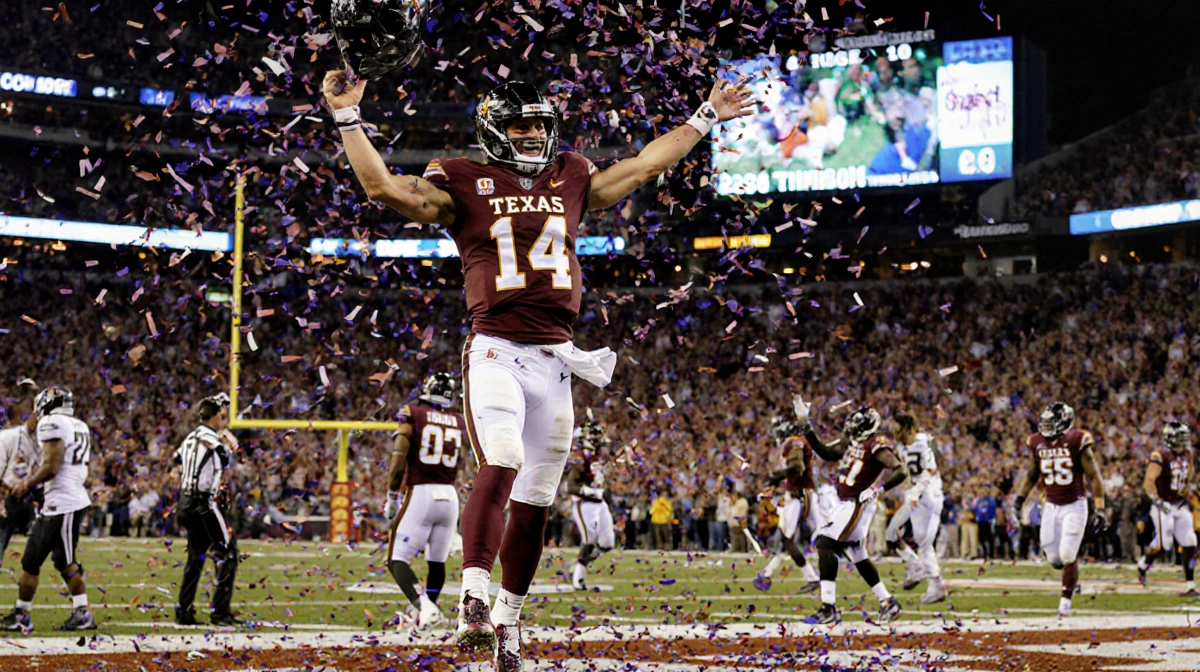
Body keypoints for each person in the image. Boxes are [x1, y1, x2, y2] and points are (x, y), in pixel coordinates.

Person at [323, 39, 752, 670]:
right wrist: (347, 117)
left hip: (556, 360)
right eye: (519, 125)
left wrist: (706, 114)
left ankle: (509, 623)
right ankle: (472, 595)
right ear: (494, 130)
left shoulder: (571, 175)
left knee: (537, 500)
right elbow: (382, 187)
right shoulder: (461, 179)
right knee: (502, 458)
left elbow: (640, 166)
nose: (531, 135)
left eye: (539, 126)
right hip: (496, 348)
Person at [794, 396, 908, 625]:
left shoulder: (876, 444)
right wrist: (806, 427)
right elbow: (827, 452)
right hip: (845, 502)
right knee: (857, 553)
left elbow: (901, 470)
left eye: (856, 427)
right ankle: (888, 602)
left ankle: (828, 608)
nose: (851, 431)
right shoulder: (853, 441)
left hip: (857, 502)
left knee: (825, 543)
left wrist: (878, 488)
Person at [1, 386, 97, 632]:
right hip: (59, 502)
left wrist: (27, 483)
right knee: (33, 559)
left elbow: (52, 466)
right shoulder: (78, 424)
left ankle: (82, 612)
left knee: (64, 560)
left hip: (64, 504)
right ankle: (22, 614)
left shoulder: (52, 421)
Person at [383, 373, 467, 628]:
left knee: (396, 558)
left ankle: (425, 607)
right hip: (449, 496)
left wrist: (391, 496)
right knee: (437, 561)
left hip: (421, 492)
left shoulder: (413, 412)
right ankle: (426, 610)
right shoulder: (458, 420)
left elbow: (398, 459)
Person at [1014, 402, 1107, 618]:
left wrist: (1101, 509)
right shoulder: (1037, 442)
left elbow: (1094, 476)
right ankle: (1071, 576)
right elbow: (1031, 475)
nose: (1046, 426)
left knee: (1067, 555)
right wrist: (1018, 501)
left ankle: (1065, 602)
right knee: (1054, 559)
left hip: (1075, 504)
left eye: (1051, 422)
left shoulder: (1076, 441)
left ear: (1064, 422)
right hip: (1051, 506)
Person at [173, 394, 242, 627]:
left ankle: (184, 610)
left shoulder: (190, 437)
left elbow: (177, 461)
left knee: (196, 556)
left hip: (184, 501)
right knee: (228, 554)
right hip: (203, 504)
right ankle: (220, 612)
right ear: (215, 417)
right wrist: (225, 438)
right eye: (221, 416)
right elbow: (226, 456)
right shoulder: (210, 436)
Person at [883, 413, 946, 603]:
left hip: (929, 492)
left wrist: (916, 491)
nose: (895, 433)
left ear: (908, 428)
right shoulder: (902, 447)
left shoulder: (922, 441)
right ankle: (919, 571)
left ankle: (936, 584)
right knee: (895, 533)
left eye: (898, 429)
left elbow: (931, 468)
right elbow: (908, 472)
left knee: (924, 542)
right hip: (916, 494)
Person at [755, 417, 820, 594]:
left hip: (800, 495)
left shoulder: (794, 442)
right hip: (799, 494)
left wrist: (777, 476)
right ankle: (768, 573)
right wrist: (776, 484)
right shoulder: (795, 443)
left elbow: (797, 466)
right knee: (787, 540)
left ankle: (812, 578)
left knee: (788, 540)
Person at [1137, 422, 1196, 595]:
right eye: (1180, 439)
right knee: (1164, 545)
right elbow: (1148, 481)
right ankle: (1143, 565)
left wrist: (1187, 488)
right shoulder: (1160, 455)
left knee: (1190, 542)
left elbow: (1190, 473)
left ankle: (1190, 585)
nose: (1183, 442)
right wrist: (1156, 499)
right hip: (1162, 503)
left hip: (1179, 503)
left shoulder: (1187, 454)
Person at [564, 418, 615, 591]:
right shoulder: (580, 458)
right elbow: (571, 486)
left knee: (607, 543)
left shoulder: (598, 456)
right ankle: (578, 578)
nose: (598, 438)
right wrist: (595, 492)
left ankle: (579, 564)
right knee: (590, 540)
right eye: (594, 435)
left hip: (600, 504)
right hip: (584, 504)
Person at [0, 411, 40, 569]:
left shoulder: (37, 442)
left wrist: (25, 485)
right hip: (6, 495)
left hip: (20, 496)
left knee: (36, 533)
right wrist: (8, 488)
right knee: (3, 529)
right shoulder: (9, 437)